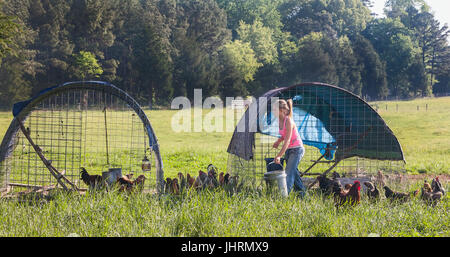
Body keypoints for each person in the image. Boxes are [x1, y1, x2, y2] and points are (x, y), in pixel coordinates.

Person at [272, 99, 306, 196]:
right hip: (289, 150)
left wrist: (278, 156)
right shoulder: (280, 120)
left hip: (297, 150)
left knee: (288, 172)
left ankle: (284, 196)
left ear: (282, 110)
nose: (273, 111)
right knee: (294, 172)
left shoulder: (289, 121)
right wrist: (278, 141)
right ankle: (302, 193)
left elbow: (287, 141)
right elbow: (284, 135)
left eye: (274, 109)